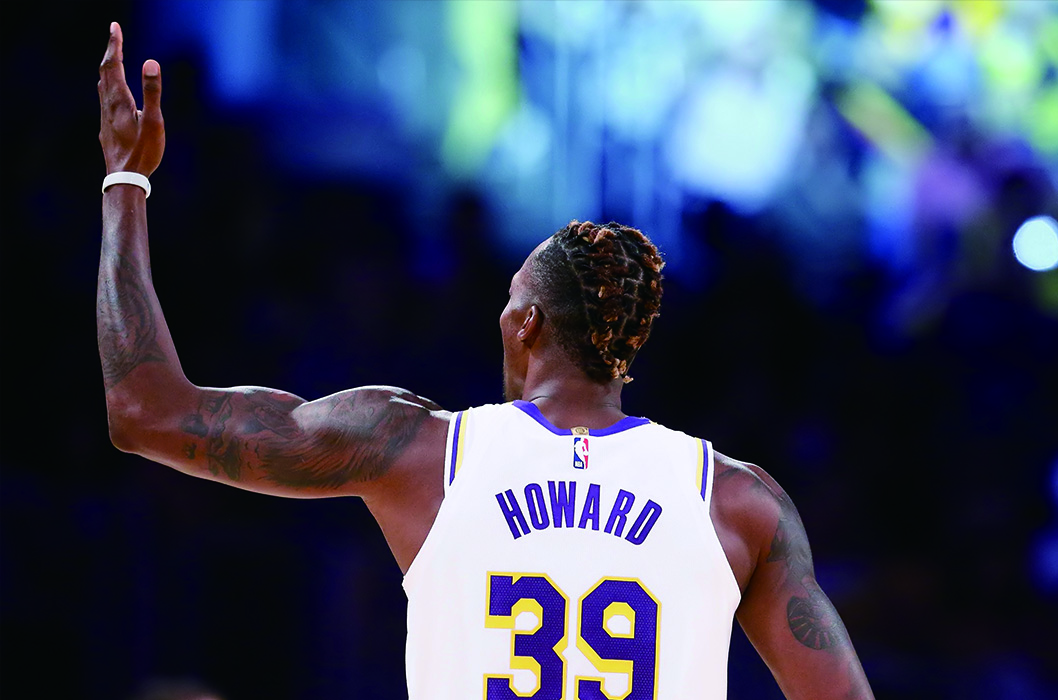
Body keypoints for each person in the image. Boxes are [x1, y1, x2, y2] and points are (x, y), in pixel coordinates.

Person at [97, 22, 875, 700]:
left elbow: (144, 413)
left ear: (526, 323)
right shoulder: (735, 500)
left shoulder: (413, 449)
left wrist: (125, 181)